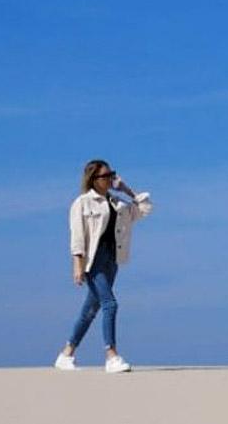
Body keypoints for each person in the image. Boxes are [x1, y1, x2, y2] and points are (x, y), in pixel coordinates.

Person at [54, 159, 153, 373]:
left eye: (111, 174)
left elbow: (144, 209)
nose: (110, 179)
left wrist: (126, 189)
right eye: (105, 176)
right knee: (110, 304)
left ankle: (66, 353)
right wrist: (77, 265)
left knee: (91, 309)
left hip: (112, 259)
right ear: (94, 179)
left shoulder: (118, 203)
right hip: (93, 260)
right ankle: (111, 355)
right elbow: (78, 236)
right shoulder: (82, 203)